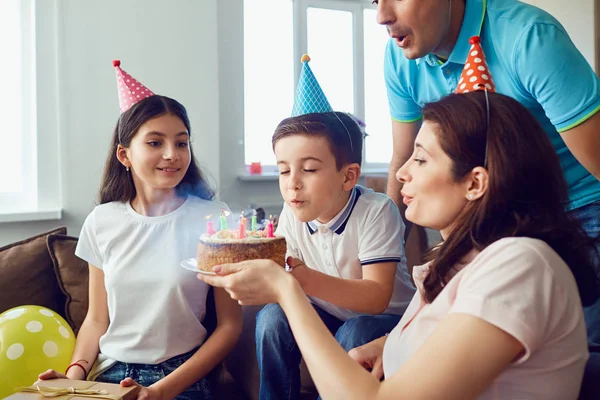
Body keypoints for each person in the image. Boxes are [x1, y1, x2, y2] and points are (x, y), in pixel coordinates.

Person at [199, 90, 599, 399]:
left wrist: (288, 290)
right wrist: (389, 343)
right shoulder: (462, 262)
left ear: (475, 182)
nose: (401, 173)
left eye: (420, 160)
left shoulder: (519, 265)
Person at [37, 61, 242, 399]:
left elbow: (229, 327)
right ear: (124, 154)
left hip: (181, 377)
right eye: (154, 143)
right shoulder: (102, 222)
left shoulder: (214, 220)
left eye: (181, 143)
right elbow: (96, 320)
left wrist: (160, 391)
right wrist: (73, 377)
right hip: (109, 372)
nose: (171, 154)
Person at [248, 55, 415, 400]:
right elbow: (285, 279)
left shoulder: (376, 210)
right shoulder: (292, 215)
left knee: (357, 331)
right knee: (271, 319)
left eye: (308, 169)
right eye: (283, 170)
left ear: (348, 176)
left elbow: (376, 296)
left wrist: (304, 278)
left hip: (385, 321)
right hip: (327, 313)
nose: (292, 184)